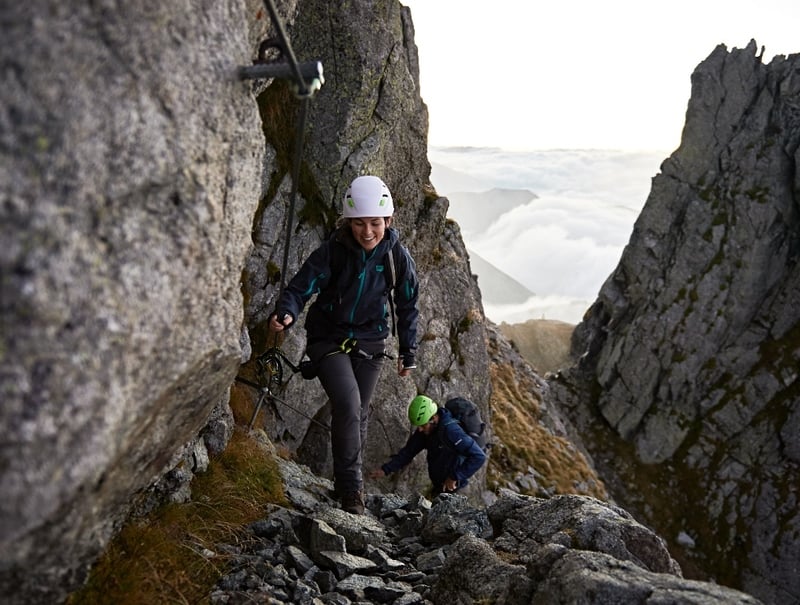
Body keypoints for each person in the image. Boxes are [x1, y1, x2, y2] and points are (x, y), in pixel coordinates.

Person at [268, 175, 419, 515]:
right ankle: (352, 491)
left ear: (388, 222)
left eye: (375, 223)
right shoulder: (332, 253)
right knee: (350, 405)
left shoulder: (396, 257)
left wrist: (409, 351)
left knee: (359, 414)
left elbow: (408, 304)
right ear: (348, 222)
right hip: (328, 339)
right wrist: (287, 312)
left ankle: (344, 482)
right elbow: (299, 288)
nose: (368, 232)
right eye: (360, 223)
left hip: (371, 341)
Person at [369, 395, 486, 496]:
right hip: (440, 485)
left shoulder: (451, 431)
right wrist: (386, 470)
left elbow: (479, 456)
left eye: (423, 425)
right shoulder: (425, 430)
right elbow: (408, 452)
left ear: (433, 418)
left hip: (455, 486)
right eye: (418, 425)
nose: (419, 429)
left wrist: (455, 477)